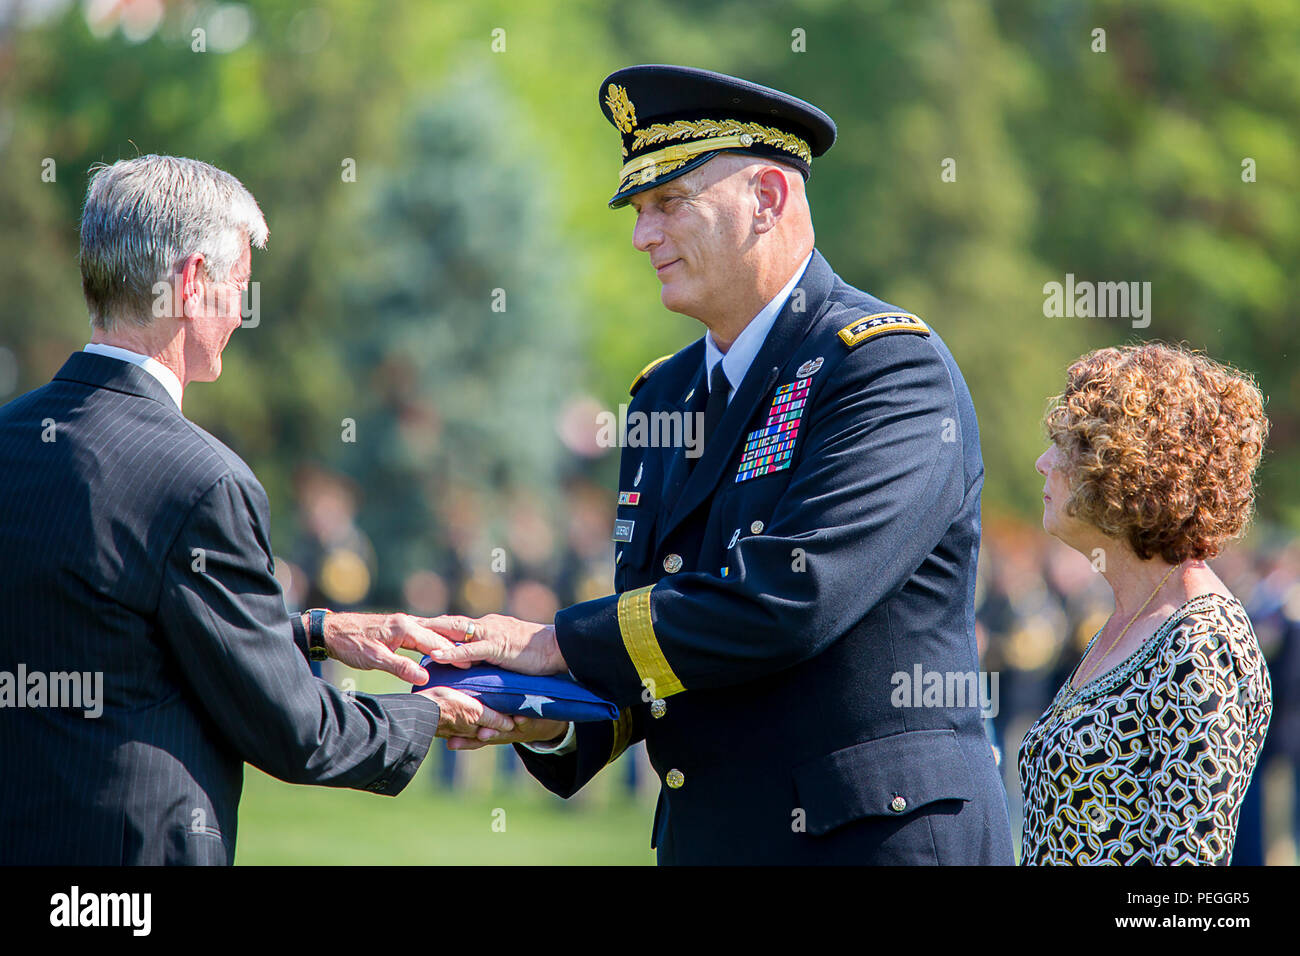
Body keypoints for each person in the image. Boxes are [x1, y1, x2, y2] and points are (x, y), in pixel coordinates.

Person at [423, 65, 1015, 864]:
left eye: (670, 203)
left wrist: (557, 643)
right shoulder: (663, 395)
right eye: (638, 210)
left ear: (767, 200)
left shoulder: (885, 368)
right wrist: (549, 710)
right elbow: (662, 629)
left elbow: (791, 600)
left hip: (874, 843)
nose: (643, 236)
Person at [0, 155, 512, 865]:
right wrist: (430, 710)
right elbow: (296, 731)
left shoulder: (12, 436)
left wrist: (319, 631)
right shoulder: (200, 478)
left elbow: (117, 630)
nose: (241, 312)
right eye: (237, 285)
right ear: (189, 284)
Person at [1019, 343, 1272, 865]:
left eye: (1064, 447)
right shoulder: (1131, 616)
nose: (1042, 463)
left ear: (1128, 466)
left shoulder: (1204, 643)